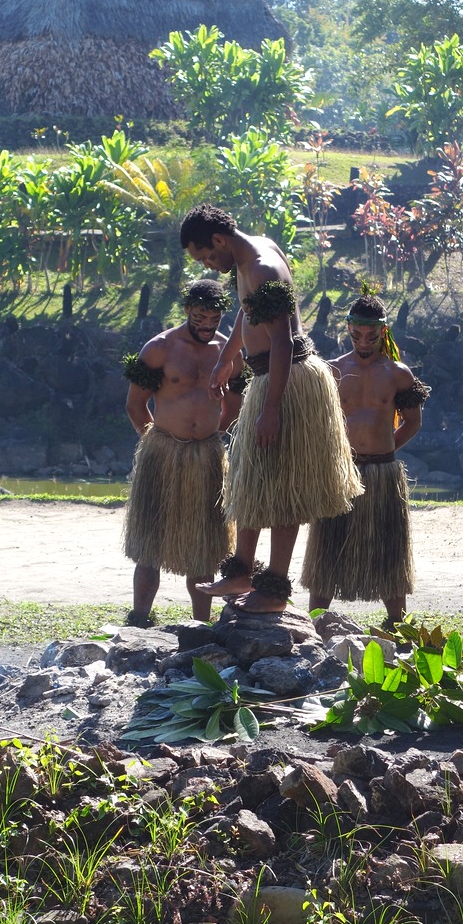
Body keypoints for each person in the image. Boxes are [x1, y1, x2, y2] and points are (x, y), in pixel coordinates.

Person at [179, 203, 362, 612]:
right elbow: (251, 318)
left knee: (284, 486)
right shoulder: (252, 255)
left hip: (288, 381)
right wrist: (230, 354)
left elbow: (282, 340)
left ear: (220, 240)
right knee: (253, 479)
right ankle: (242, 571)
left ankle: (274, 590)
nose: (210, 265)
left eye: (208, 256)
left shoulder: (260, 268)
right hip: (270, 378)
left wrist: (272, 409)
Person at [300, 292, 429, 624]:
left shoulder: (398, 373)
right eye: (357, 335)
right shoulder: (333, 370)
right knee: (327, 549)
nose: (364, 342)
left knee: (389, 551)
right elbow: (317, 423)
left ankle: (398, 624)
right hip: (342, 474)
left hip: (383, 474)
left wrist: (386, 451)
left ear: (382, 332)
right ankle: (316, 621)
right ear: (348, 329)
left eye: (371, 336)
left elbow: (413, 422)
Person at [121, 279, 245, 625]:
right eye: (200, 317)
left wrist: (212, 432)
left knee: (204, 549)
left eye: (214, 319)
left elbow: (234, 408)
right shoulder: (159, 348)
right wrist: (157, 445)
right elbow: (135, 405)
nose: (207, 325)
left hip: (206, 456)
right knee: (149, 546)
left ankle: (200, 625)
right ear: (187, 310)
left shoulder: (228, 353)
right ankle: (140, 618)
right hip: (162, 453)